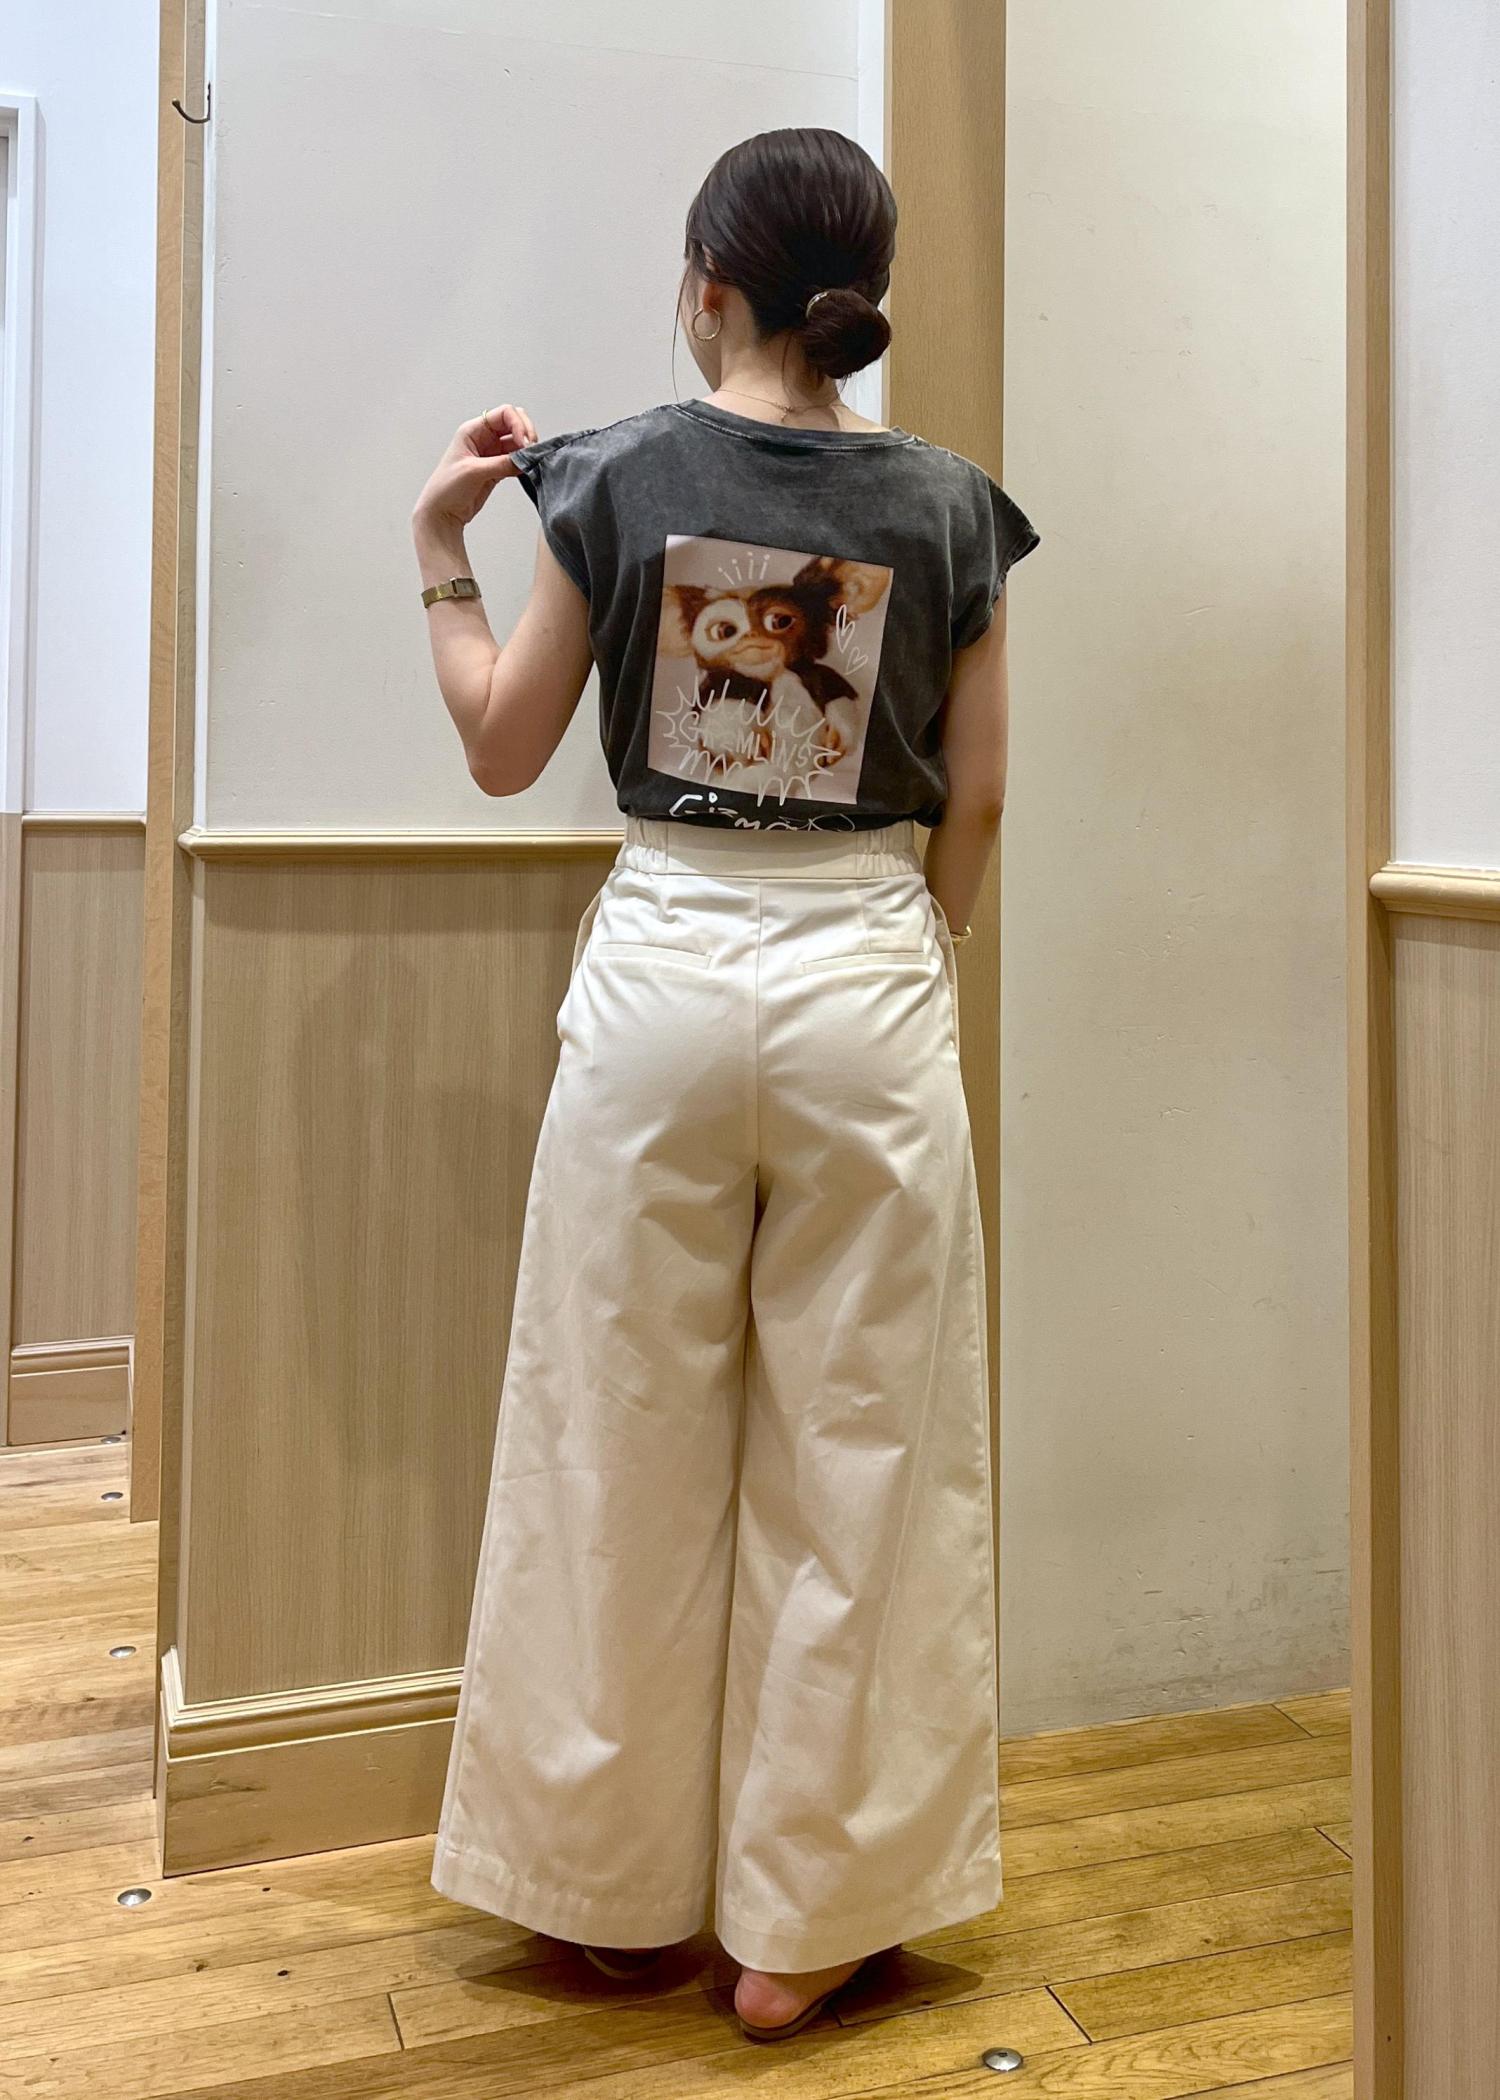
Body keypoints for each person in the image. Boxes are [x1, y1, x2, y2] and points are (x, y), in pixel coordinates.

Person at [410, 125, 1038, 2045]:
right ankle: (810, 1925)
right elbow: (982, 793)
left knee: (611, 1421)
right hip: (867, 961)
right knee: (869, 1445)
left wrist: (440, 555)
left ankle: (602, 1891)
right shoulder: (954, 507)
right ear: (860, 293)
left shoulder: (608, 475)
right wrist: (911, 943)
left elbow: (504, 747)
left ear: (706, 287)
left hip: (666, 962)